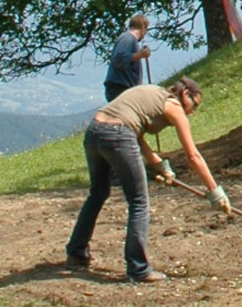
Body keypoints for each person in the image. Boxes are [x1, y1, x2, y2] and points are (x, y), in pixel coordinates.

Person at [66, 76, 230, 283]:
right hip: (118, 135)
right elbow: (193, 156)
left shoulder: (152, 92)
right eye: (194, 105)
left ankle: (76, 253)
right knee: (139, 202)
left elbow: (136, 132)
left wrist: (158, 165)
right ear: (185, 94)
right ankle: (138, 269)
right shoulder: (174, 106)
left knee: (97, 193)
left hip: (94, 131)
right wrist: (215, 192)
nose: (192, 111)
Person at [104, 14, 153, 102]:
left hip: (124, 89)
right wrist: (140, 55)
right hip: (120, 88)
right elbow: (119, 59)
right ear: (143, 28)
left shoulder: (130, 39)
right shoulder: (128, 38)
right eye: (146, 30)